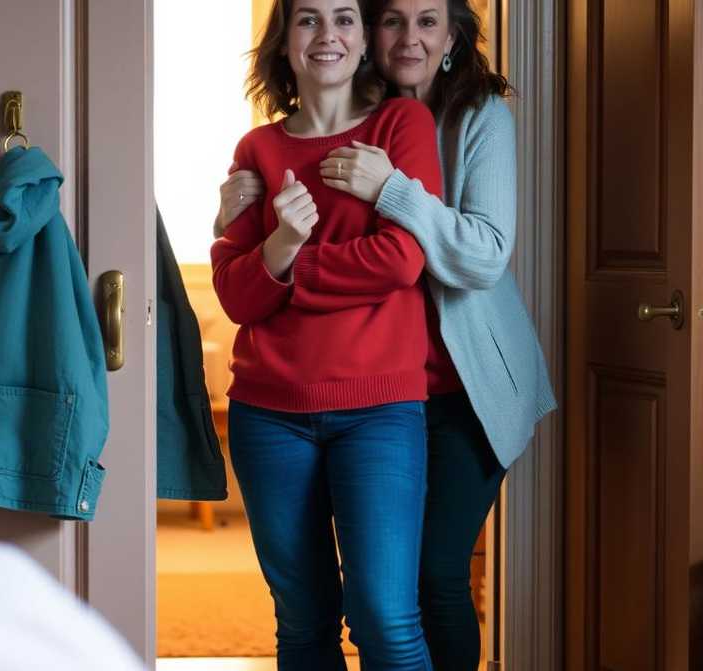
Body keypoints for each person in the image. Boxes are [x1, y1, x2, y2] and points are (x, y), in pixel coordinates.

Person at [214, 2, 557, 669]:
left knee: (426, 583)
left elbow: (471, 255)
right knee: (313, 612)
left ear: (452, 36)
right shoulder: (275, 141)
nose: (409, 38)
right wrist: (252, 236)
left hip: (459, 387)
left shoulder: (466, 118)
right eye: (394, 20)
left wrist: (384, 197)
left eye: (428, 22)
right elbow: (242, 275)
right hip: (322, 391)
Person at [210, 0, 444, 669]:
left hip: (380, 410)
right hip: (268, 413)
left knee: (386, 618)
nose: (327, 35)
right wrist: (281, 242)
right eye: (308, 19)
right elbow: (236, 296)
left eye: (344, 18)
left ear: (365, 40)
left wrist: (287, 266)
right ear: (285, 43)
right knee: (303, 622)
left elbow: (401, 259)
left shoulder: (401, 125)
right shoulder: (257, 148)